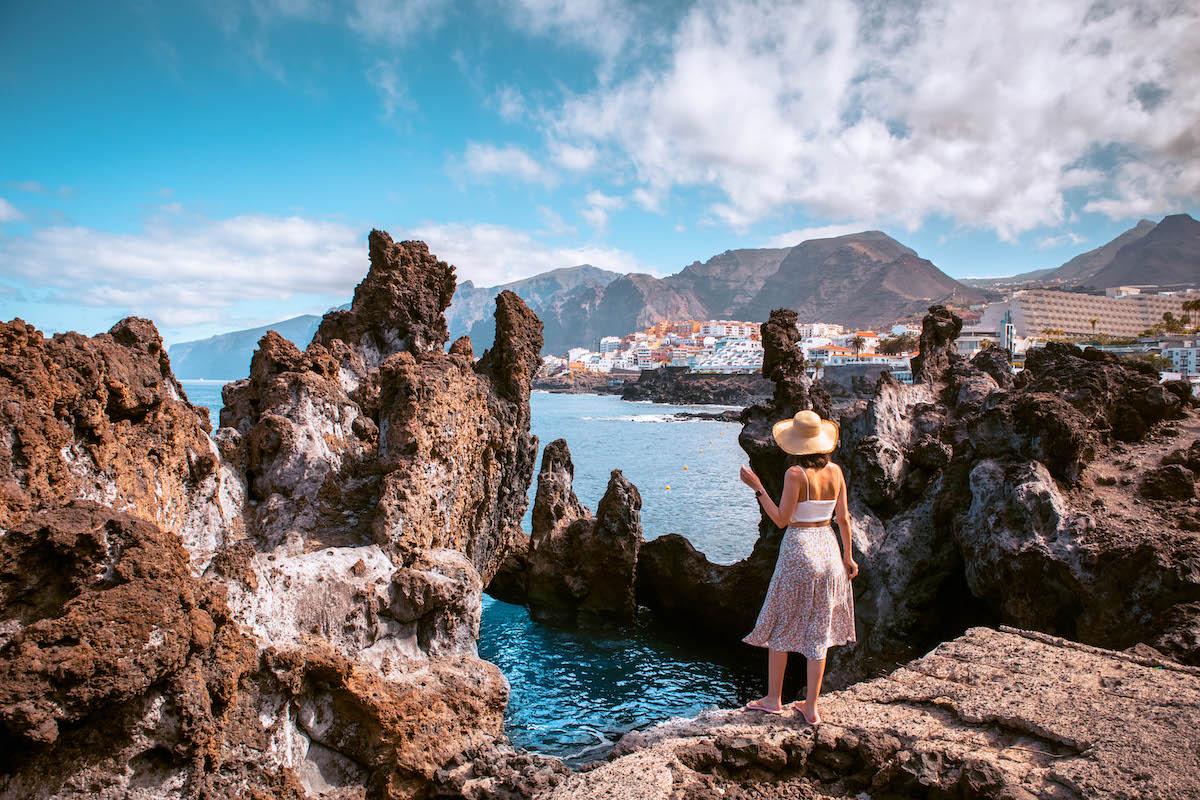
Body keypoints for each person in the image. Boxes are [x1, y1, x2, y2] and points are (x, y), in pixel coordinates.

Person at [738, 408, 857, 724]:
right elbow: (844, 518)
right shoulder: (836, 472)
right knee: (819, 628)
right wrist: (848, 557)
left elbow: (781, 519)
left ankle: (773, 699)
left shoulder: (795, 474)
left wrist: (757, 487)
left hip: (799, 550)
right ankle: (811, 707)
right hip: (829, 549)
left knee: (782, 621)